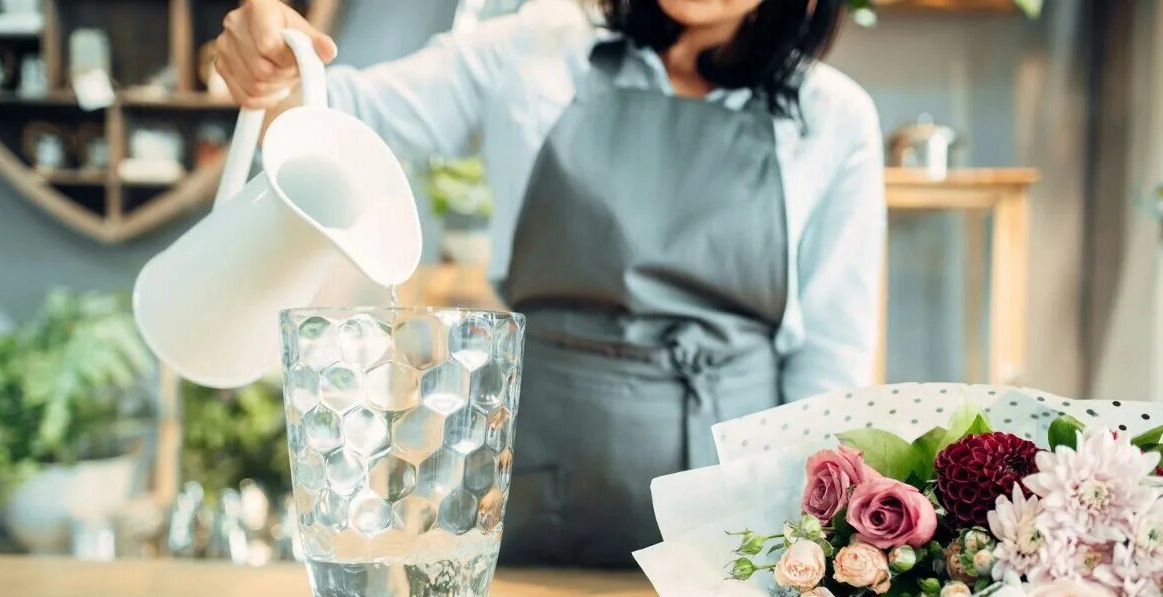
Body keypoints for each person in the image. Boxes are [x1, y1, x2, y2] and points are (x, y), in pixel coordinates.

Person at [215, 0, 886, 567]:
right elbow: (327, 116)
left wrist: (807, 552)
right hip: (526, 492)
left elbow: (829, 367)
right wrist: (273, 61)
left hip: (736, 528)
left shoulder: (832, 119)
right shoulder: (534, 50)